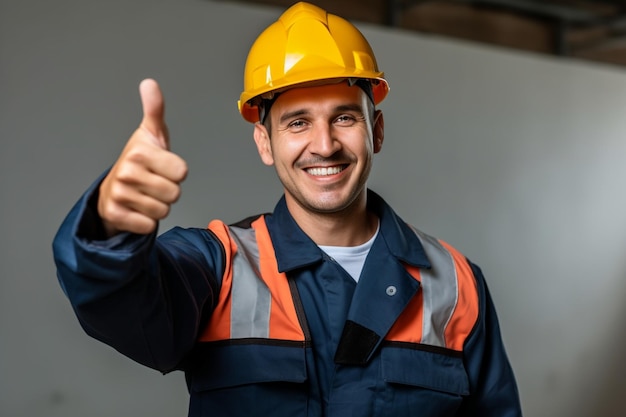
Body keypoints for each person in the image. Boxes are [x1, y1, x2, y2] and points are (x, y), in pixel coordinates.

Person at [52, 2, 523, 416]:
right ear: (265, 142)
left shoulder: (456, 284)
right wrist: (110, 228)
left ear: (376, 130)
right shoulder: (217, 266)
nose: (324, 144)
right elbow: (130, 311)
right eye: (298, 122)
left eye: (344, 117)